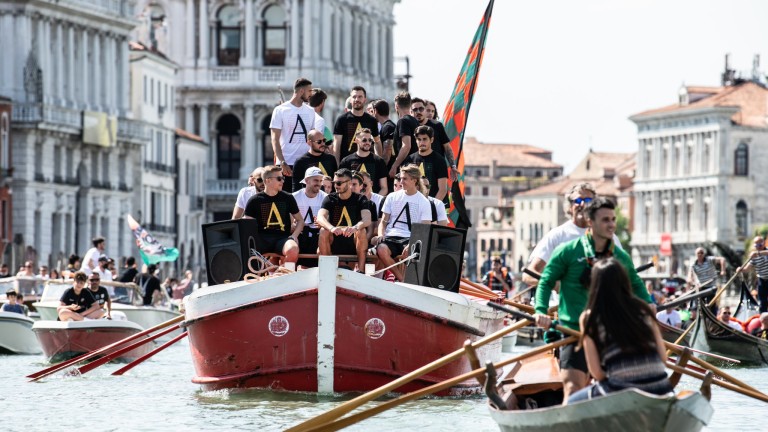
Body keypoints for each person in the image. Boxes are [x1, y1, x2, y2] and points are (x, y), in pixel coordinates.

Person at [534, 197, 654, 401]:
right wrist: (540, 311)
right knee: (572, 389)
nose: (611, 225)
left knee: (615, 391)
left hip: (609, 333)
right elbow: (545, 282)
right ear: (590, 222)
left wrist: (649, 305)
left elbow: (636, 285)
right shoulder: (568, 251)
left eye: (613, 219)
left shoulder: (620, 256)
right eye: (605, 220)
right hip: (572, 331)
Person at [567, 258, 672, 404]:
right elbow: (663, 358)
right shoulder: (644, 309)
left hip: (621, 390)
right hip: (661, 388)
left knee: (571, 402)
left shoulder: (588, 318)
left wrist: (617, 374)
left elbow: (597, 373)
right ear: (624, 282)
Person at [522, 183, 623, 287]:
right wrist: (556, 285)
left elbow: (623, 274)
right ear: (569, 207)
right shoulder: (556, 235)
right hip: (561, 302)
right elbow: (528, 275)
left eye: (588, 201)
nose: (583, 204)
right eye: (578, 201)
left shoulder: (610, 238)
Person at [373, 164, 432, 281]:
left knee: (411, 251)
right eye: (400, 178)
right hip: (391, 237)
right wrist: (380, 234)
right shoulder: (392, 197)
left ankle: (405, 281)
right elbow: (383, 222)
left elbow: (425, 229)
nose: (401, 182)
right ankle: (402, 279)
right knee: (381, 249)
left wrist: (412, 242)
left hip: (410, 238)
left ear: (414, 180)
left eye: (404, 179)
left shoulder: (424, 202)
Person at [244, 165, 304, 265]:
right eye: (279, 178)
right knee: (245, 249)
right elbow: (247, 226)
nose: (283, 181)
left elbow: (300, 221)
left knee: (293, 249)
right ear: (268, 180)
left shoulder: (288, 197)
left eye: (283, 178)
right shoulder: (254, 200)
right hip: (261, 239)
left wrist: (294, 236)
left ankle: (284, 275)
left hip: (282, 238)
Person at [317, 169, 371, 271]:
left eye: (339, 183)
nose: (336, 186)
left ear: (349, 183)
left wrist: (355, 227)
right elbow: (320, 217)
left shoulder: (360, 199)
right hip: (335, 238)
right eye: (334, 183)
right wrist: (331, 228)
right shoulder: (330, 198)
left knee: (362, 230)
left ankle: (361, 271)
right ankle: (327, 270)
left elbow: (367, 219)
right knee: (323, 230)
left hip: (352, 239)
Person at [270, 77, 317, 192]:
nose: (311, 94)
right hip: (286, 164)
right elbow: (274, 139)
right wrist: (282, 162)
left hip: (306, 164)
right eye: (309, 91)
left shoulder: (310, 111)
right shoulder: (280, 110)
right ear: (301, 91)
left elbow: (312, 137)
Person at [410, 97, 458, 179]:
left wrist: (453, 166)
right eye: (415, 109)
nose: (418, 112)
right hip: (416, 167)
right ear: (410, 112)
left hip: (436, 167)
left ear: (425, 110)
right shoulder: (409, 126)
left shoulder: (437, 126)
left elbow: (447, 147)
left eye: (421, 109)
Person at [332, 86, 382, 164]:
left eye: (360, 97)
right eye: (354, 97)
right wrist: (337, 166)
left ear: (365, 99)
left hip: (368, 165)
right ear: (350, 99)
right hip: (346, 165)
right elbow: (336, 145)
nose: (357, 99)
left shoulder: (371, 120)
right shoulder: (342, 120)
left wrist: (379, 162)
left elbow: (377, 142)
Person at [293, 167, 328, 268]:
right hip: (300, 234)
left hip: (318, 235)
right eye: (316, 180)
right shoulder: (295, 197)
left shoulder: (326, 197)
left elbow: (329, 221)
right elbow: (289, 220)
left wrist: (323, 224)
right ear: (307, 181)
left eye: (321, 181)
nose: (319, 183)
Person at [405, 125, 449, 203]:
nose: (421, 142)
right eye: (419, 139)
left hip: (434, 205)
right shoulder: (409, 160)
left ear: (431, 140)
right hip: (414, 204)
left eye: (425, 139)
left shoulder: (439, 160)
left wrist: (431, 206)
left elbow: (442, 190)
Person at [339, 128, 388, 195]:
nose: (367, 143)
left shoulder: (379, 161)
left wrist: (374, 202)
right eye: (364, 140)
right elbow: (341, 185)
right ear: (356, 141)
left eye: (370, 140)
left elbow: (384, 188)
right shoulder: (346, 161)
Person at [389, 92, 419, 179]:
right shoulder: (415, 121)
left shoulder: (403, 121)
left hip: (407, 167)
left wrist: (395, 166)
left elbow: (406, 146)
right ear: (410, 105)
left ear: (396, 106)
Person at [736, 236, 768, 313]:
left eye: (759, 245)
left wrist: (758, 253)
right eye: (756, 246)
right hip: (762, 280)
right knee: (762, 302)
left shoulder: (765, 251)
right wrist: (741, 269)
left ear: (763, 243)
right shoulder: (754, 257)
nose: (758, 247)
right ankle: (764, 319)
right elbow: (747, 269)